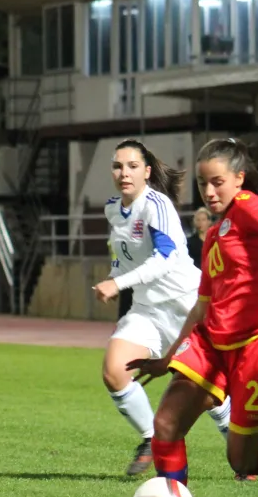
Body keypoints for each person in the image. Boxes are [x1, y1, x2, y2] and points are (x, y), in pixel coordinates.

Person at [127, 138, 258, 497]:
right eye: (203, 184)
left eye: (218, 182)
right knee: (166, 424)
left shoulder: (249, 207)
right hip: (213, 343)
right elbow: (202, 307)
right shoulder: (215, 236)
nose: (210, 191)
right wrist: (168, 358)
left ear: (239, 179)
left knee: (242, 460)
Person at [93, 139, 232, 476]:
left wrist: (118, 285)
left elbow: (165, 259)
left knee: (209, 393)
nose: (124, 173)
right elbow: (124, 259)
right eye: (117, 166)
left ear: (147, 172)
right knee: (114, 371)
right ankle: (150, 438)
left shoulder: (157, 205)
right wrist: (113, 277)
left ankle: (244, 452)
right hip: (147, 310)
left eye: (132, 166)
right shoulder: (113, 209)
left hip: (186, 306)